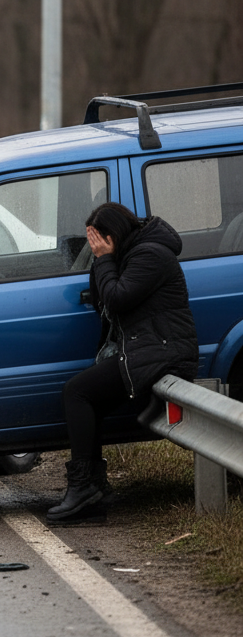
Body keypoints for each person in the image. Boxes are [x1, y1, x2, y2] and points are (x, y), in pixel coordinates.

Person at [48, 202, 199, 522]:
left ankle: (83, 485)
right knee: (89, 397)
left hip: (163, 353)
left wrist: (104, 259)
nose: (96, 249)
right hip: (146, 349)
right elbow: (102, 298)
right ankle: (93, 485)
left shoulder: (151, 255)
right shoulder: (133, 254)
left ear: (113, 234)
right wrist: (102, 259)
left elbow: (117, 298)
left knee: (77, 392)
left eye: (98, 241)